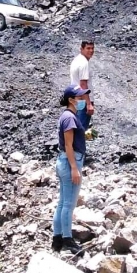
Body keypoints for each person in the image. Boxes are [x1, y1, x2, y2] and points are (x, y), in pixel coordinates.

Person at [52, 84, 90, 255]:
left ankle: (57, 239)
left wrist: (85, 135)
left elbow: (71, 140)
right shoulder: (69, 118)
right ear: (71, 100)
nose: (82, 99)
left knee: (62, 203)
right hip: (70, 162)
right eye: (79, 97)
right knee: (69, 204)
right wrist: (75, 168)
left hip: (64, 162)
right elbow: (68, 145)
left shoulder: (68, 116)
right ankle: (68, 240)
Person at [69, 40, 95, 130]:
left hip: (76, 99)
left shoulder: (77, 60)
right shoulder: (84, 63)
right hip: (83, 101)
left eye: (92, 48)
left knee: (76, 125)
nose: (91, 51)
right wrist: (89, 104)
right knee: (81, 128)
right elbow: (83, 85)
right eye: (88, 48)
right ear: (81, 49)